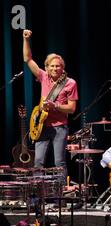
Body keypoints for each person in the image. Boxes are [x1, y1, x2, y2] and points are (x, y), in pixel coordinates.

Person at [23, 29, 78, 183]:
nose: (55, 69)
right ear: (46, 67)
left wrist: (55, 106)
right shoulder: (43, 76)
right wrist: (26, 39)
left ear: (63, 68)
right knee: (38, 162)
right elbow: (28, 59)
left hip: (60, 127)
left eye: (58, 66)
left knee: (59, 163)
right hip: (41, 125)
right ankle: (38, 194)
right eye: (52, 66)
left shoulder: (70, 83)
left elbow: (72, 109)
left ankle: (59, 195)